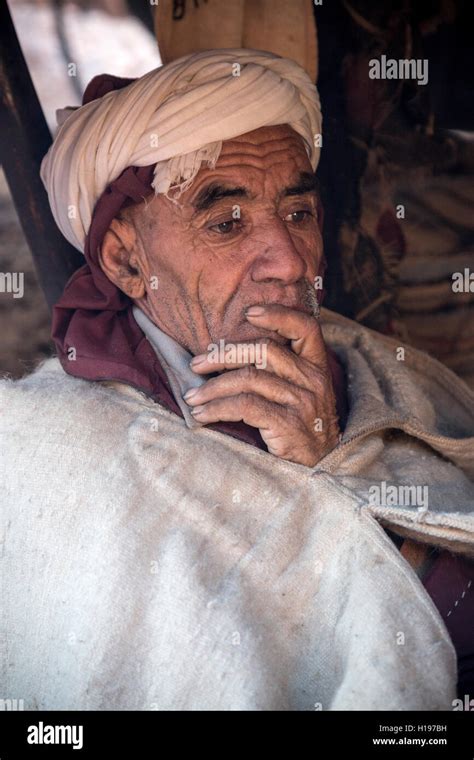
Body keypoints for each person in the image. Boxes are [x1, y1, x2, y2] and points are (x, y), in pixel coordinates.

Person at [1, 49, 473, 711]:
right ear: (126, 260)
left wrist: (335, 469)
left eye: (299, 213)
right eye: (226, 222)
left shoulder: (374, 367)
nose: (287, 260)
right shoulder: (52, 450)